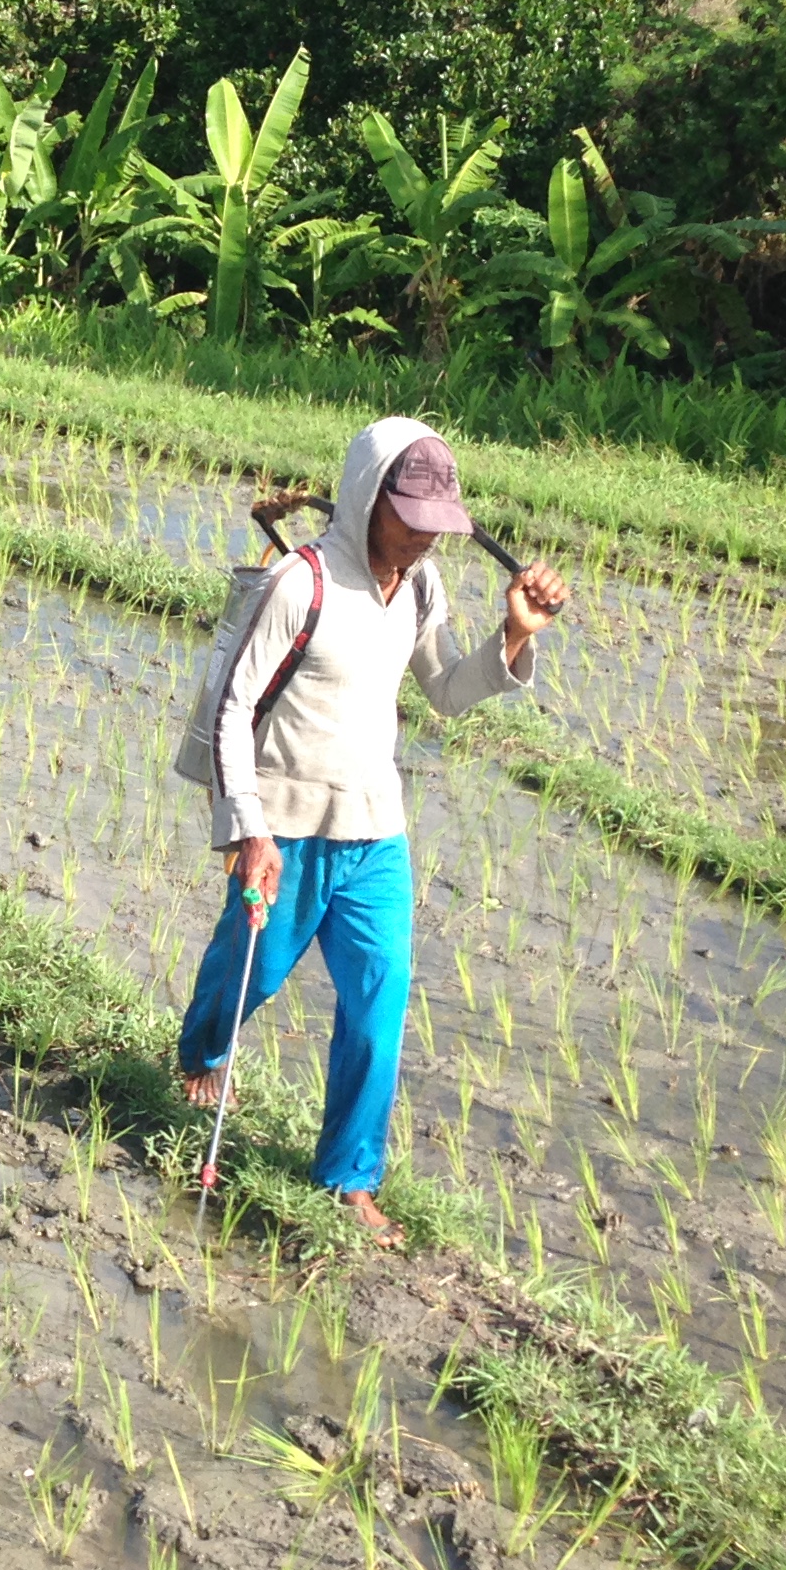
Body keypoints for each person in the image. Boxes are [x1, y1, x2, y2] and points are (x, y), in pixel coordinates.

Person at [179, 415, 568, 1244]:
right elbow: (233, 706)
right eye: (410, 519)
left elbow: (446, 692)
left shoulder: (421, 588)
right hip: (286, 827)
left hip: (376, 832)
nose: (424, 539)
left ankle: (348, 1179)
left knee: (378, 1004)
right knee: (254, 972)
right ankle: (202, 1053)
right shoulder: (302, 582)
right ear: (366, 498)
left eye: (437, 526)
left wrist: (512, 636)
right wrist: (248, 829)